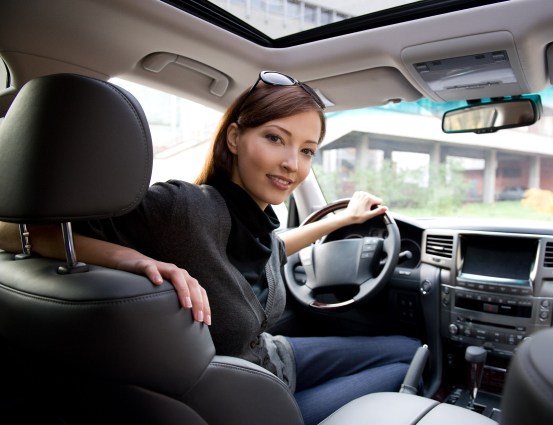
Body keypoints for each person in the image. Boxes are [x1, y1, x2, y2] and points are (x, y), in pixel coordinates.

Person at [0, 70, 420, 424]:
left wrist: (343, 220)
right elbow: (12, 229)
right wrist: (136, 259)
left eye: (307, 150)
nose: (293, 163)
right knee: (410, 365)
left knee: (407, 348)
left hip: (270, 358)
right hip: (247, 397)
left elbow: (273, 249)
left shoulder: (249, 222)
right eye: (275, 138)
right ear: (235, 137)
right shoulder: (183, 208)